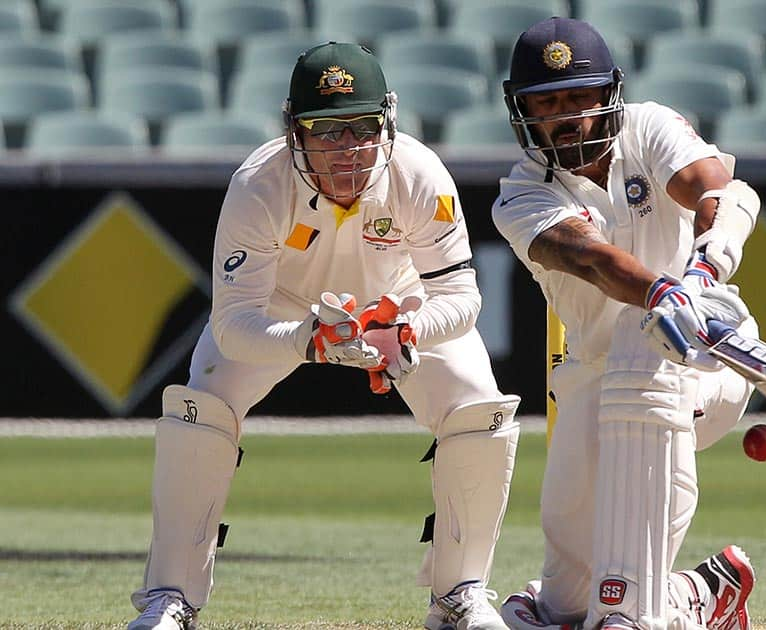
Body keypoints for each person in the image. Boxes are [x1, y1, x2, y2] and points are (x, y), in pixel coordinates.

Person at [127, 42, 520, 630]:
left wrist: (406, 329)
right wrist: (308, 340)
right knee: (200, 406)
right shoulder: (260, 184)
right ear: (295, 131)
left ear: (386, 121)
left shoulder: (419, 173)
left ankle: (459, 593)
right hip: (283, 306)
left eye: (360, 128)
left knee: (479, 409)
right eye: (325, 131)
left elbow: (463, 300)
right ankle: (170, 598)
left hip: (398, 299)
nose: (346, 151)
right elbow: (234, 326)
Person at [492, 17, 762, 630]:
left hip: (703, 352)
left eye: (580, 97)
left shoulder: (650, 126)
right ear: (524, 113)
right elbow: (590, 258)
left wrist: (707, 268)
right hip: (591, 376)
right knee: (561, 608)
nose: (566, 115)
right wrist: (661, 290)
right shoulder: (520, 195)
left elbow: (717, 189)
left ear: (607, 95)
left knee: (646, 361)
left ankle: (631, 614)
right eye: (547, 103)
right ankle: (703, 593)